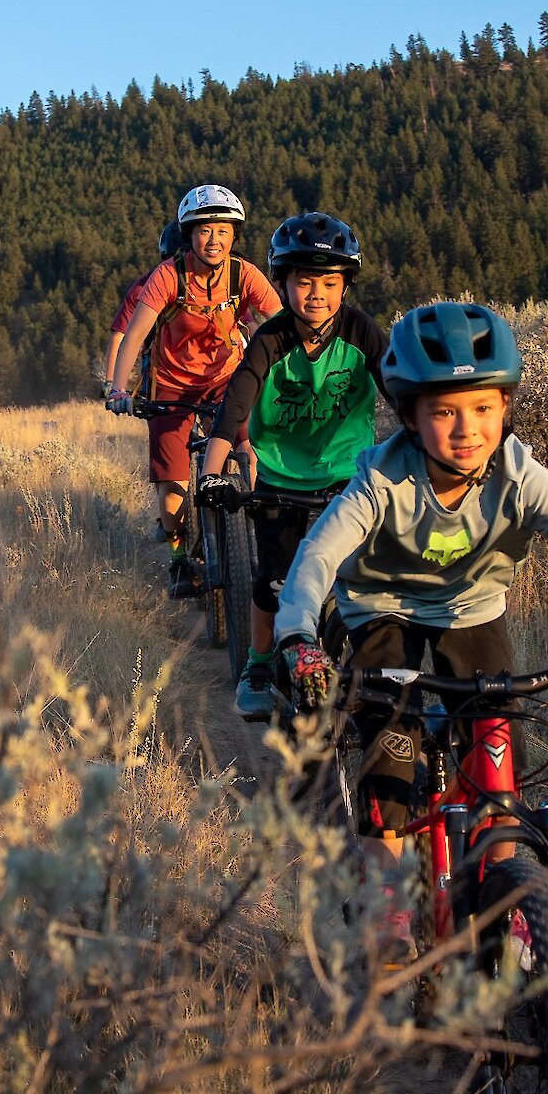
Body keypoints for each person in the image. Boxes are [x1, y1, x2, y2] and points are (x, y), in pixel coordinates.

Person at [273, 300, 548, 960]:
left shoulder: (521, 477)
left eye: (482, 408)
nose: (466, 428)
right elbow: (317, 560)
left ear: (506, 407)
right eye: (444, 411)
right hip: (383, 612)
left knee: (498, 772)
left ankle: (512, 908)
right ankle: (387, 911)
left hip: (473, 616)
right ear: (411, 417)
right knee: (391, 752)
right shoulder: (380, 479)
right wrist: (299, 637)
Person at [195, 212, 387, 720]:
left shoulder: (362, 332)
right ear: (282, 283)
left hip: (348, 473)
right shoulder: (270, 340)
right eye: (304, 281)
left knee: (359, 579)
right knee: (275, 581)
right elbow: (233, 408)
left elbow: (400, 392)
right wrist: (211, 475)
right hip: (279, 476)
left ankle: (367, 668)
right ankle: (258, 665)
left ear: (346, 285)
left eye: (330, 281)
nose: (317, 293)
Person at [107, 184, 281, 597]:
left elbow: (278, 323)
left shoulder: (244, 274)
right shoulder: (169, 275)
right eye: (205, 231)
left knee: (251, 453)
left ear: (234, 234)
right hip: (171, 386)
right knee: (172, 485)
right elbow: (134, 334)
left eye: (223, 230)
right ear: (189, 235)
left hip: (228, 382)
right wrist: (118, 388)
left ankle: (255, 541)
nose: (214, 240)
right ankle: (180, 556)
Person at [101, 219, 186, 398]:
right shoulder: (144, 287)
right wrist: (112, 383)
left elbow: (119, 336)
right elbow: (120, 336)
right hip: (162, 368)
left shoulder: (144, 285)